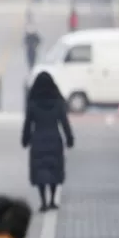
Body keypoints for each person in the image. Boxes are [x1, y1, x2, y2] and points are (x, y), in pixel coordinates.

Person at [21, 72, 74, 212]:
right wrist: (69, 138)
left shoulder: (33, 102)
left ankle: (43, 201)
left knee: (40, 171)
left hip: (38, 139)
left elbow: (28, 124)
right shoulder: (58, 101)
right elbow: (64, 122)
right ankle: (52, 200)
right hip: (54, 139)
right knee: (54, 169)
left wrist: (25, 140)